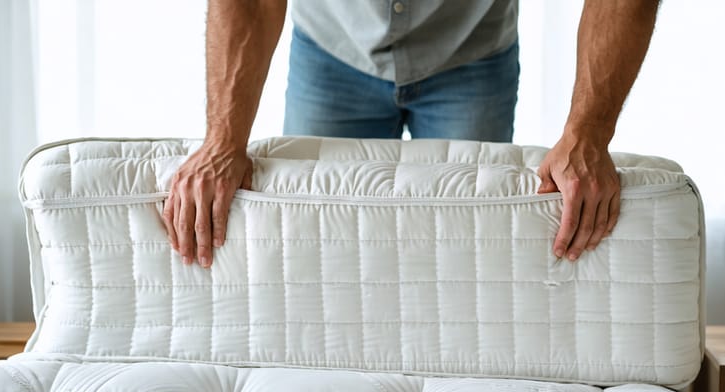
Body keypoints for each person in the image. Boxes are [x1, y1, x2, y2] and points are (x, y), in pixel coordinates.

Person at [163, 0, 659, 268]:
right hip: (333, 47)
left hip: (472, 48)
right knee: (312, 252)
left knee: (470, 256)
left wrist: (589, 133)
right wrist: (223, 141)